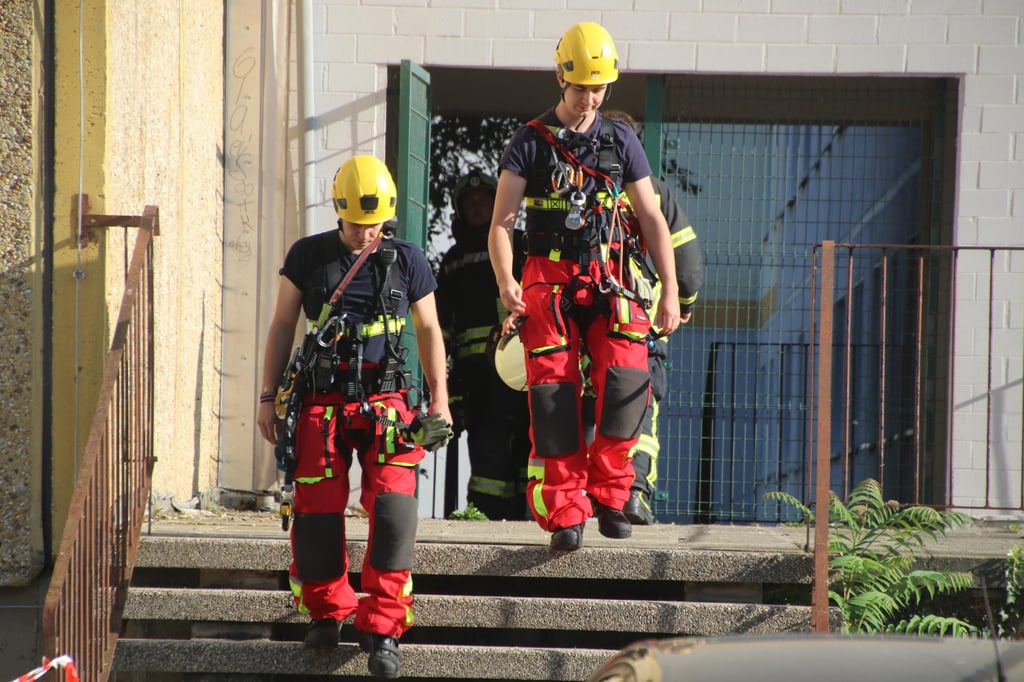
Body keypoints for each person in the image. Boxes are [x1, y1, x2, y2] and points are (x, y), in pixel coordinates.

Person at [487, 21, 682, 551]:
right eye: (581, 88)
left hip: (611, 277)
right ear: (560, 77)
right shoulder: (528, 142)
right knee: (553, 398)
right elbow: (502, 222)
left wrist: (669, 288)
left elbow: (652, 216)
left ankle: (613, 496)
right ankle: (566, 511)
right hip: (547, 280)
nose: (590, 99)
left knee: (626, 387)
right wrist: (507, 282)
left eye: (599, 89)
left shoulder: (620, 140)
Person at [256, 155, 452, 679]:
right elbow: (281, 325)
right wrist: (266, 396)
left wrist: (441, 399)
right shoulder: (308, 256)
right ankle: (327, 610)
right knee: (317, 514)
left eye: (378, 221)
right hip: (321, 405)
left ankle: (384, 626)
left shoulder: (408, 259)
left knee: (393, 513)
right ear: (340, 210)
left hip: (389, 405)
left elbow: (430, 331)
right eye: (360, 221)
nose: (369, 231)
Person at [591, 109, 703, 525]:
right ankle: (632, 494)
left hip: (581, 320)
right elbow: (687, 261)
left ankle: (586, 501)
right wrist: (682, 302)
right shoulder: (653, 194)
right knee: (638, 404)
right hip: (639, 324)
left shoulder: (575, 189)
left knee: (586, 405)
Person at [435, 170, 531, 520]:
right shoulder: (453, 261)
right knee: (488, 463)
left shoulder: (521, 246)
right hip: (476, 383)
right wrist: (449, 391)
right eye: (470, 204)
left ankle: (530, 525)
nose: (477, 208)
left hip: (522, 375)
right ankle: (485, 527)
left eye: (484, 202)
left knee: (528, 456)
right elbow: (441, 329)